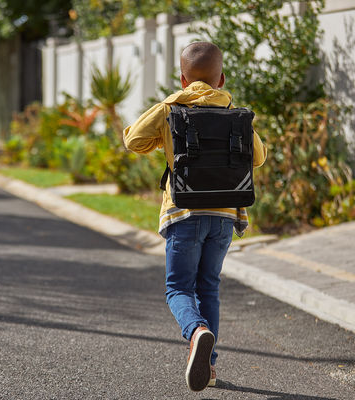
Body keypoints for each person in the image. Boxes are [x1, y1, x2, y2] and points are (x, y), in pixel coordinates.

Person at [123, 41, 267, 392]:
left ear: (183, 78)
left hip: (183, 212)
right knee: (209, 288)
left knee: (178, 289)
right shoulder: (235, 113)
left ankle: (196, 331)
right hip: (224, 215)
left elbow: (133, 140)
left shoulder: (174, 108)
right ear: (222, 78)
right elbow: (258, 157)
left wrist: (169, 112)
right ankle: (211, 368)